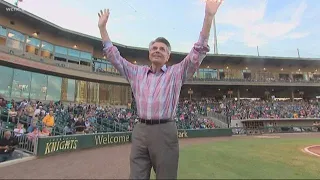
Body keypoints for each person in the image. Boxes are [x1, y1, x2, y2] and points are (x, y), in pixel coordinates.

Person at [97, 0, 223, 179]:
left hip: (165, 130)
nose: (157, 50)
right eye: (154, 48)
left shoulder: (176, 73)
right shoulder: (136, 73)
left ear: (168, 56)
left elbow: (197, 52)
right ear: (149, 53)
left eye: (162, 49)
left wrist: (208, 17)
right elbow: (114, 56)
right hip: (140, 130)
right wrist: (102, 28)